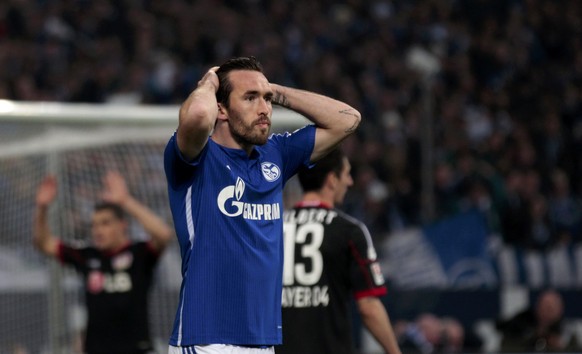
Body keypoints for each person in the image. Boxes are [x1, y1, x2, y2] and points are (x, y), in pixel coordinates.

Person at [163, 56, 360, 353]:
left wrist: (274, 91)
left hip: (262, 341)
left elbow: (347, 119)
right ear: (222, 109)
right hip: (205, 339)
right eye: (250, 98)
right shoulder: (195, 157)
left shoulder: (275, 154)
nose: (264, 108)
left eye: (267, 100)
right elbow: (197, 117)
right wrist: (209, 83)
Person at [277, 149, 402, 354]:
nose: (350, 182)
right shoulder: (349, 231)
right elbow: (368, 306)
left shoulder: (273, 228)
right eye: (347, 174)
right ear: (332, 179)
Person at [33, 171, 173, 354]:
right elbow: (44, 243)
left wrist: (125, 201)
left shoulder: (139, 254)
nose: (98, 230)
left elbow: (164, 234)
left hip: (136, 349)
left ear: (122, 225)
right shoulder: (88, 256)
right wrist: (42, 208)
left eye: (105, 223)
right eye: (94, 225)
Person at [495, 288, 580, 352]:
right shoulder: (520, 326)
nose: (549, 312)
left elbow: (576, 350)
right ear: (538, 308)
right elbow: (506, 348)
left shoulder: (567, 333)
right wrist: (532, 340)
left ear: (560, 311)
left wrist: (559, 347)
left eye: (552, 308)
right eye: (546, 307)